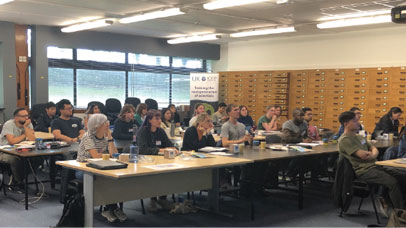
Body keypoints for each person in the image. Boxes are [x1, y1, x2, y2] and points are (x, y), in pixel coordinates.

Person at [338, 111, 406, 211]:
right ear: (346, 124)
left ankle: (386, 202)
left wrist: (372, 154)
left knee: (402, 176)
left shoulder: (360, 137)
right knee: (392, 182)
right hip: (364, 170)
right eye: (355, 121)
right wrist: (372, 154)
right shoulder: (344, 140)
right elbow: (363, 155)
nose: (359, 123)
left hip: (375, 165)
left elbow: (374, 150)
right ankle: (401, 213)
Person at [76, 114, 127, 223]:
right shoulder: (87, 136)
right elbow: (95, 156)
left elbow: (115, 155)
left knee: (114, 179)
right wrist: (108, 156)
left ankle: (111, 207)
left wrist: (110, 139)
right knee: (104, 179)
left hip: (101, 166)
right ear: (97, 125)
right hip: (83, 168)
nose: (107, 124)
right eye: (105, 123)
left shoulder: (105, 137)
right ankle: (110, 208)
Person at [136, 109, 179, 211]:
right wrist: (160, 150)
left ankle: (162, 198)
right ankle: (153, 198)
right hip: (145, 162)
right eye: (157, 119)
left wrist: (173, 148)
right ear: (150, 120)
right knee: (156, 176)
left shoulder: (160, 131)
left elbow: (169, 144)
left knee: (167, 174)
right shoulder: (143, 131)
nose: (160, 121)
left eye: (160, 118)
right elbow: (142, 149)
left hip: (161, 161)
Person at [0, 108, 36, 186]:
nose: (27, 118)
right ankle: (18, 182)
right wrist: (24, 135)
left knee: (38, 158)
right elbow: (11, 141)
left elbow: (32, 140)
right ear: (16, 118)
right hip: (5, 152)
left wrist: (26, 127)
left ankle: (17, 178)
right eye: (24, 116)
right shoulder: (9, 124)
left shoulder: (28, 124)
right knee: (16, 159)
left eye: (27, 115)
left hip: (22, 150)